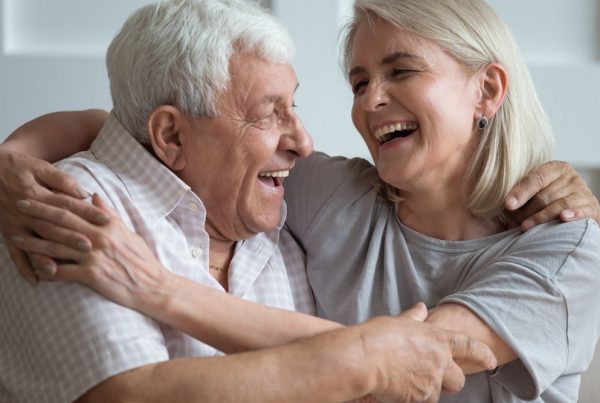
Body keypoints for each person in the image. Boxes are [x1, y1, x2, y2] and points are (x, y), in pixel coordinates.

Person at [1, 0, 600, 401]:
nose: (369, 101)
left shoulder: (569, 247)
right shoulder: (335, 197)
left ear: (487, 89)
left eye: (401, 71)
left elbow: (420, 356)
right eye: (360, 81)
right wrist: (14, 157)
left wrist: (155, 288)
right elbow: (151, 130)